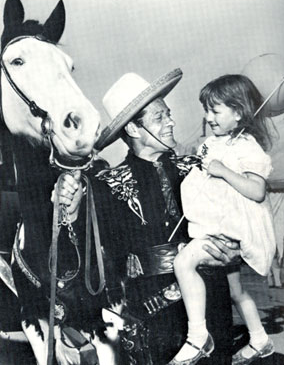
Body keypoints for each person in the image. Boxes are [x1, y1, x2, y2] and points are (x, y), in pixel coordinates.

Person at [57, 69, 241, 364]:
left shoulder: (200, 169)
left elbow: (239, 222)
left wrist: (232, 250)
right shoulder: (105, 185)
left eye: (168, 114)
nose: (171, 122)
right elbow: (82, 258)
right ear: (133, 129)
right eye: (159, 117)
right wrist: (74, 211)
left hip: (211, 304)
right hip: (152, 316)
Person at [170, 74, 276, 365]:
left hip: (230, 228)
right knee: (235, 290)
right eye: (207, 110)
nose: (208, 117)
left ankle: (198, 336)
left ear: (239, 113)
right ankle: (259, 338)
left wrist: (223, 171)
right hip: (217, 221)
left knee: (184, 262)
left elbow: (257, 190)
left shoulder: (248, 147)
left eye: (215, 111)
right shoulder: (214, 143)